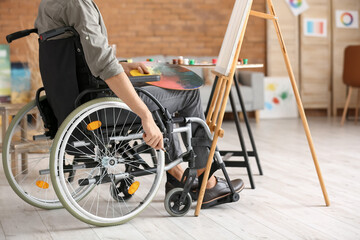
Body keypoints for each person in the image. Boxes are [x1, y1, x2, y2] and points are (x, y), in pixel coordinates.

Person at [35, 0, 244, 208]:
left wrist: (125, 66)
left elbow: (82, 60)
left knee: (158, 97)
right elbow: (104, 66)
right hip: (100, 106)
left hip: (77, 101)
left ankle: (177, 176)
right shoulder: (78, 4)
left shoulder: (49, 4)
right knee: (189, 94)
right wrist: (144, 115)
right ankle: (207, 183)